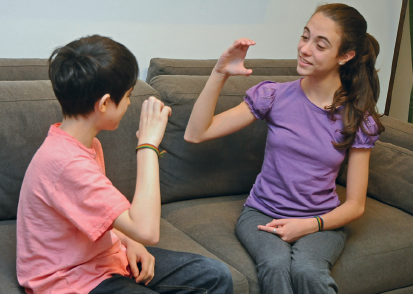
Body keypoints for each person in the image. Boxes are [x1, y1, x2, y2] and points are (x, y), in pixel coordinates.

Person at [184, 3, 384, 294]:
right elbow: (196, 133)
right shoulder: (273, 96)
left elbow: (355, 205)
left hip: (321, 219)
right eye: (305, 37)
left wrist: (309, 225)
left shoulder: (357, 118)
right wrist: (219, 72)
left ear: (345, 56)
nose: (305, 49)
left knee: (309, 271)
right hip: (261, 213)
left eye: (320, 44)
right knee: (275, 265)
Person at [16, 35, 233, 294]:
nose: (130, 103)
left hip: (102, 259)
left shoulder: (87, 144)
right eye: (129, 96)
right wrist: (148, 145)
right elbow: (148, 230)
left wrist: (130, 242)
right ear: (105, 103)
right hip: (70, 278)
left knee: (215, 275)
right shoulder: (66, 163)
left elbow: (103, 217)